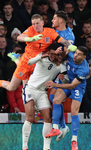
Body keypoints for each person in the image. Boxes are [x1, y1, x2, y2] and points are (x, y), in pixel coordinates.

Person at [0, 14, 77, 92]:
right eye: (33, 24)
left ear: (42, 23)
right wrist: (29, 39)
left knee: (29, 90)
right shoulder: (31, 30)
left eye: (37, 23)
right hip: (26, 62)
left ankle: (16, 60)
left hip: (39, 64)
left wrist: (69, 45)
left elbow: (62, 40)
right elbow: (19, 37)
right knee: (12, 87)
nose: (35, 26)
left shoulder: (50, 32)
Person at [22, 43, 67, 150]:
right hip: (30, 89)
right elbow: (29, 62)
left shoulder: (61, 66)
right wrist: (40, 56)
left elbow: (65, 80)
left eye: (55, 54)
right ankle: (24, 146)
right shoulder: (42, 58)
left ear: (58, 54)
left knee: (48, 119)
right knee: (30, 118)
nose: (52, 56)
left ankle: (46, 147)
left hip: (42, 93)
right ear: (48, 52)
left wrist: (63, 78)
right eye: (51, 53)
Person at [45, 46, 89, 150]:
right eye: (76, 53)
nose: (75, 55)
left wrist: (55, 85)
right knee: (55, 100)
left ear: (84, 57)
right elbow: (62, 53)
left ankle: (74, 140)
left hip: (77, 86)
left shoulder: (84, 69)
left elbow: (72, 86)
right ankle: (56, 128)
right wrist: (61, 50)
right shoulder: (71, 55)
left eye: (79, 54)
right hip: (67, 81)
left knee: (74, 112)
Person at [49, 10, 75, 141]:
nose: (51, 20)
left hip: (66, 70)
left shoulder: (68, 35)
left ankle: (58, 127)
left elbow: (65, 54)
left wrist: (60, 52)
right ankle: (63, 126)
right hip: (57, 67)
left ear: (60, 21)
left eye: (54, 19)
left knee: (55, 99)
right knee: (53, 97)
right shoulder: (54, 32)